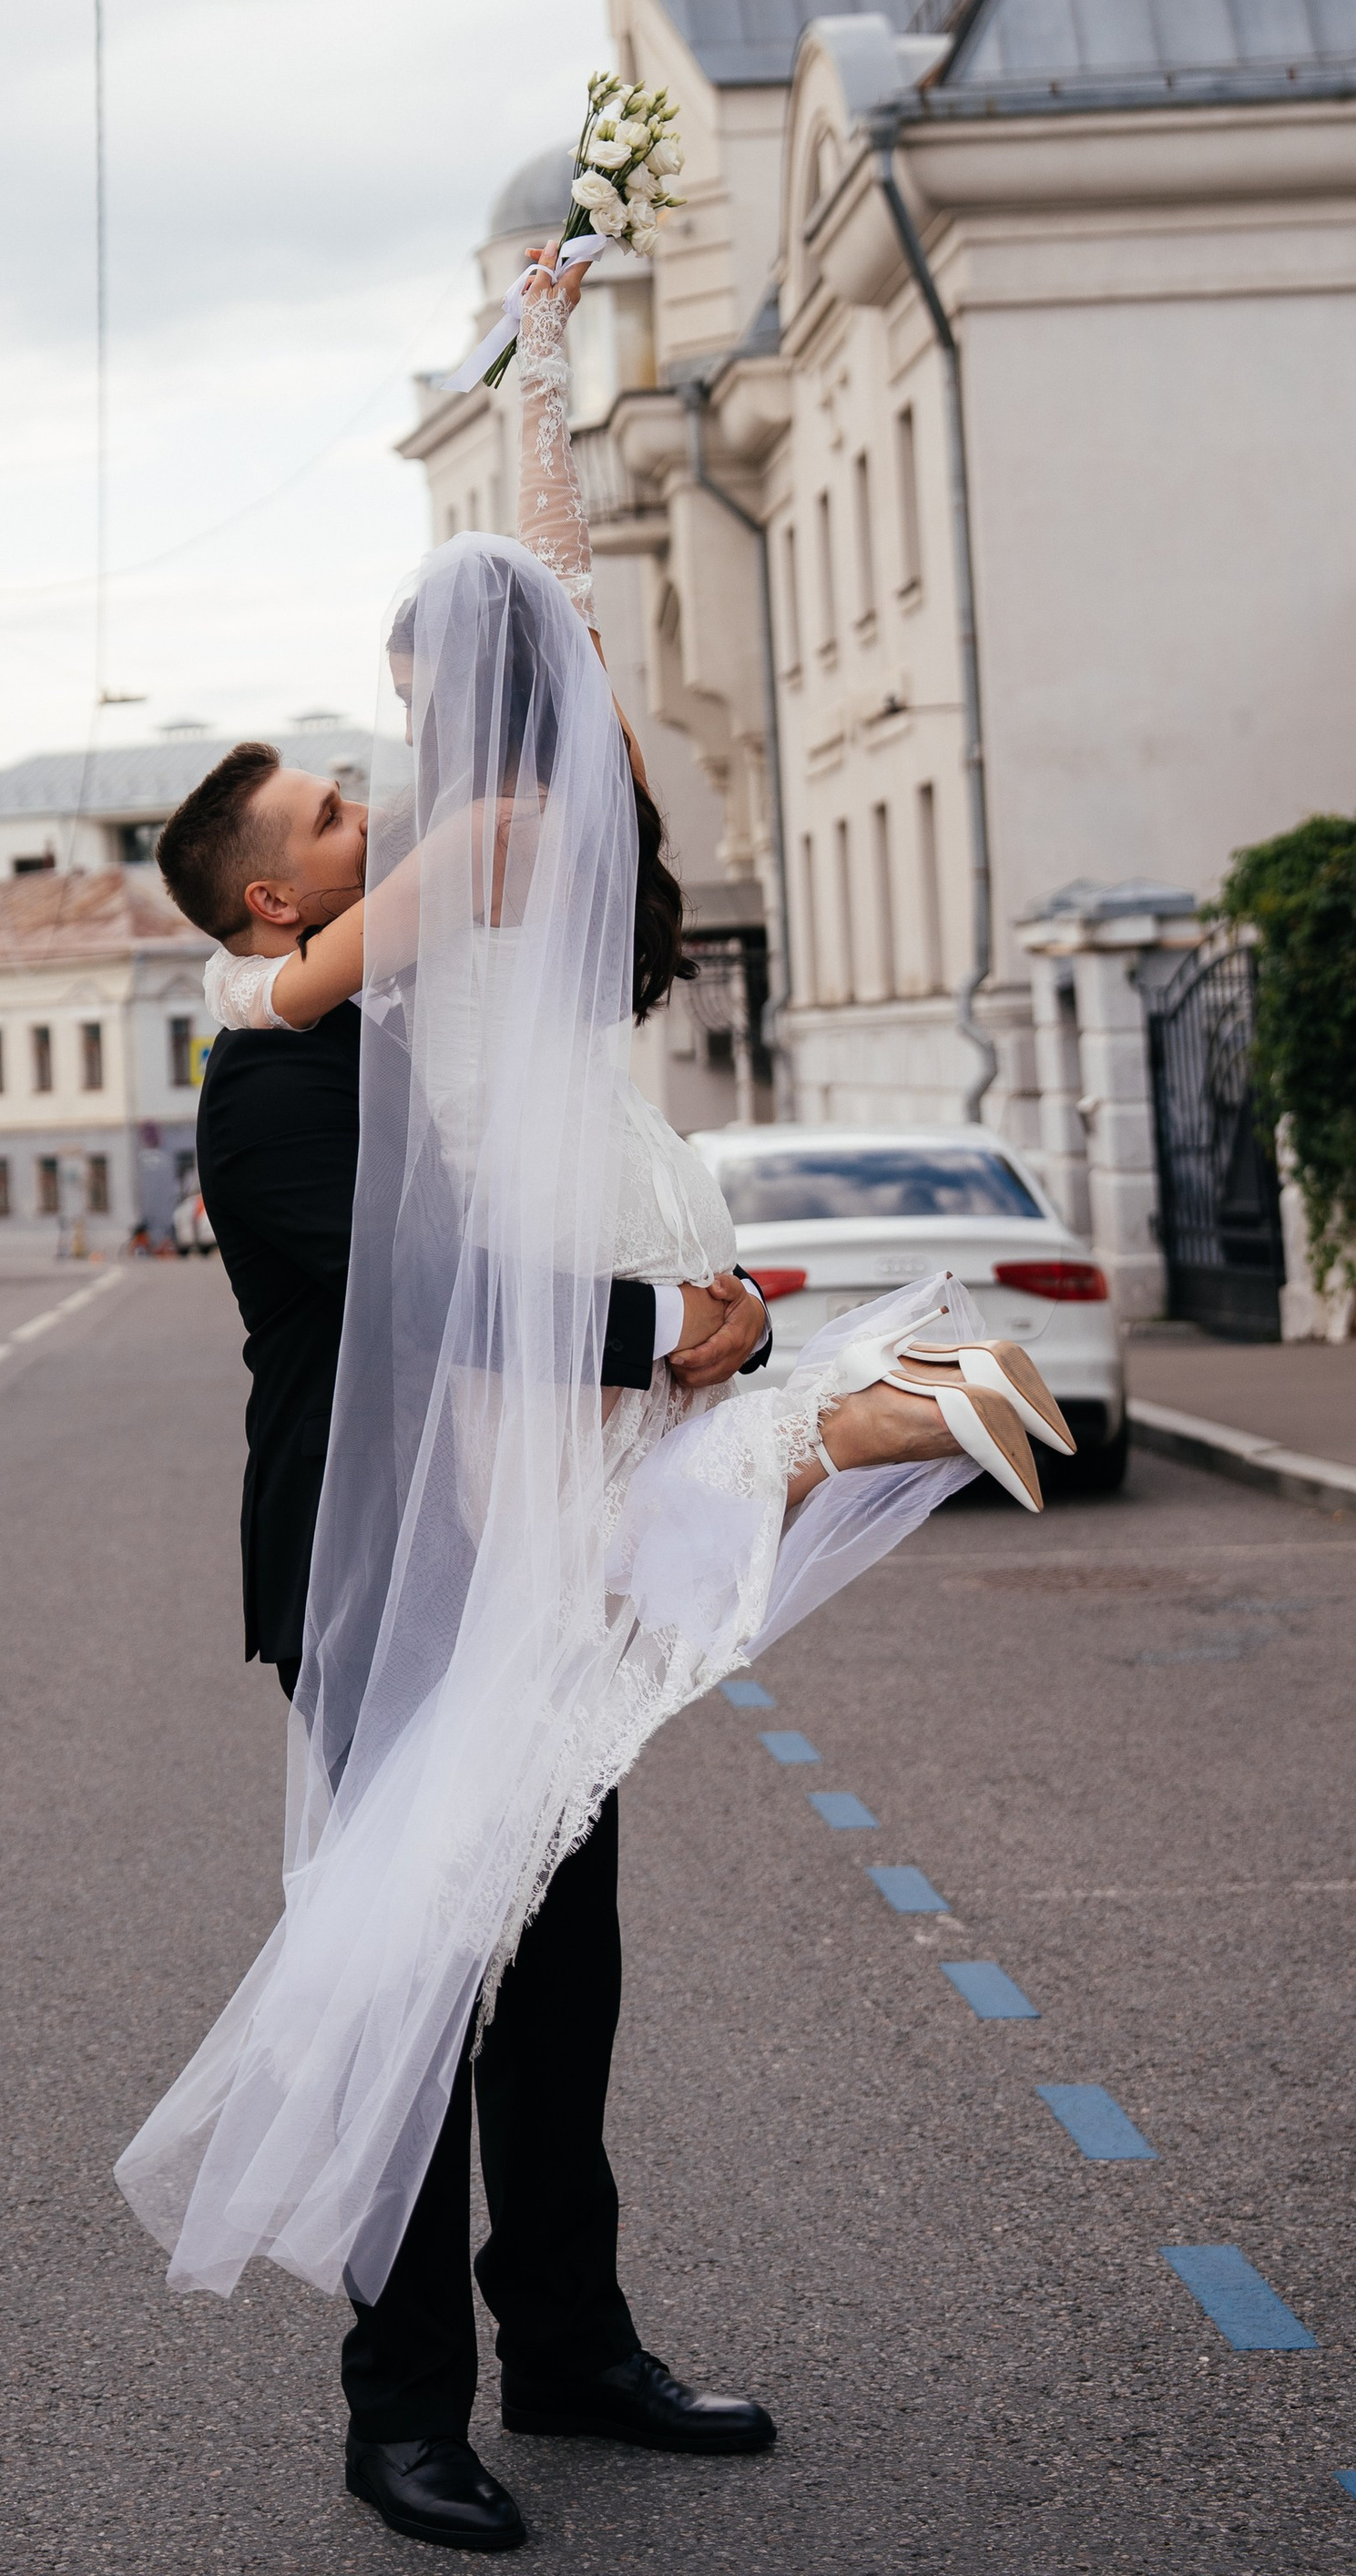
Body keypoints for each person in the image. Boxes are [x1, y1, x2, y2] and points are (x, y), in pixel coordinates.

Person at [119, 249, 1065, 2555]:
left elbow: (545, 666)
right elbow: (402, 1310)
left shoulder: (427, 999)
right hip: (394, 1572)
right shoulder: (264, 1073)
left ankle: (573, 2342)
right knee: (408, 1989)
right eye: (335, 816)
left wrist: (541, 372)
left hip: (550, 1540)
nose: (382, 818)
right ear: (267, 902)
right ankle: (394, 2405)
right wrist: (665, 1344)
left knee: (563, 1971)